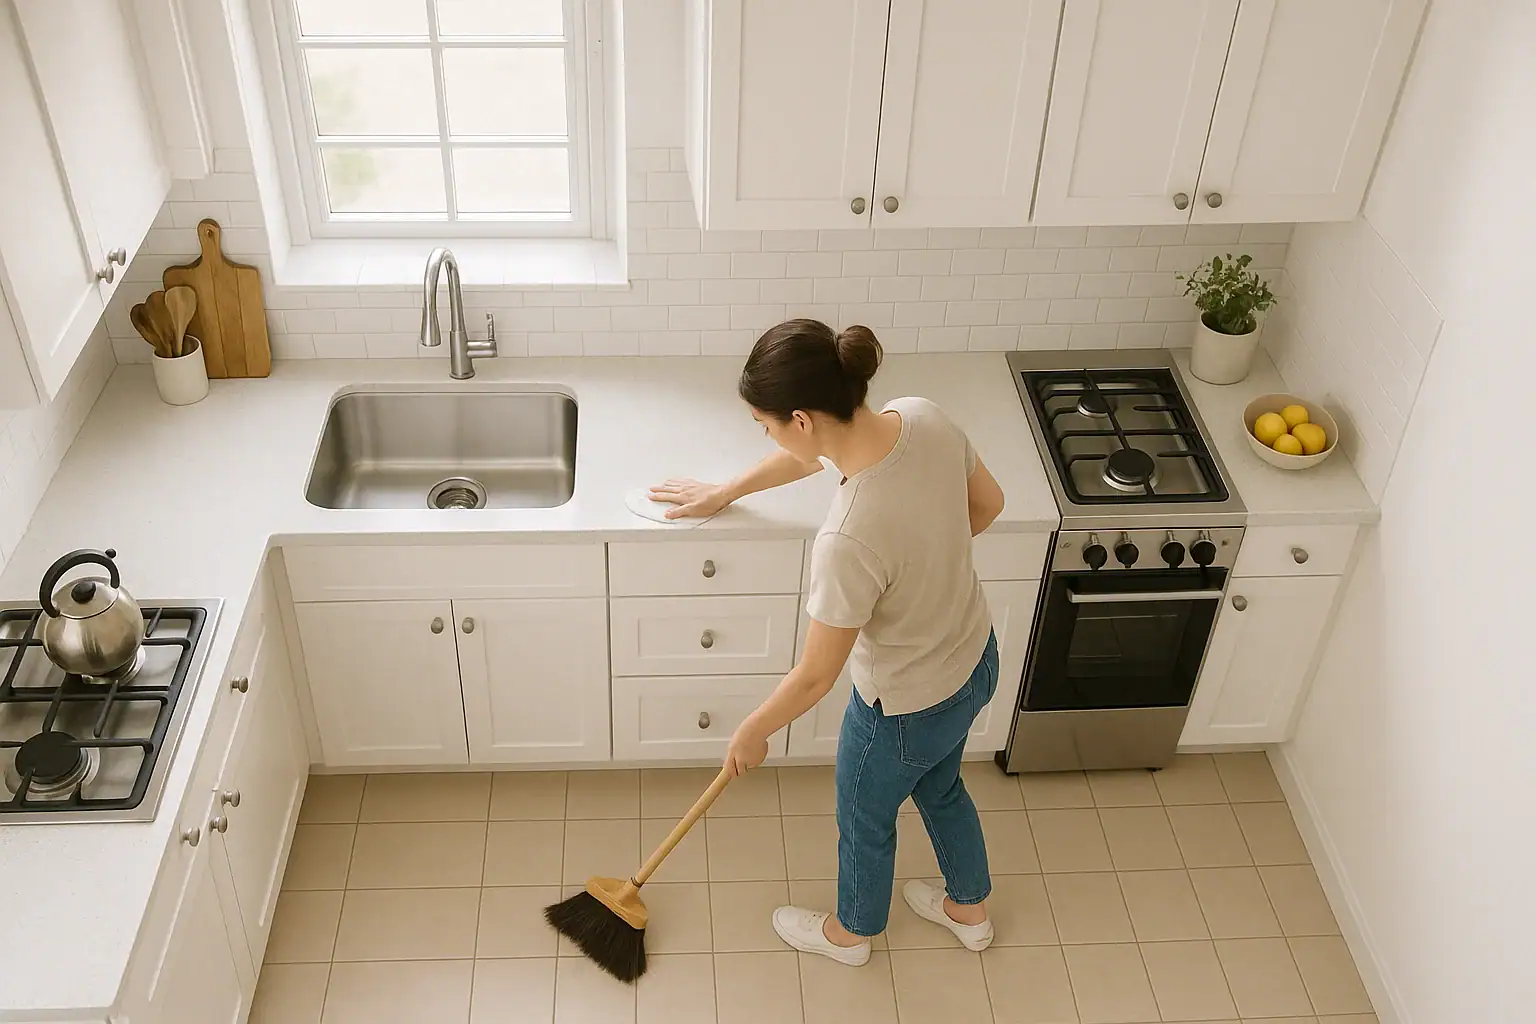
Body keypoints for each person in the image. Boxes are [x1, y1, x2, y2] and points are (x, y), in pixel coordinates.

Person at [648, 318, 1007, 965]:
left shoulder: (849, 537)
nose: (766, 434)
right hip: (975, 663)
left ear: (801, 419)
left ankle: (852, 934)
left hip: (900, 708)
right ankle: (968, 910)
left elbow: (817, 675)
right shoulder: (922, 418)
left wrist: (751, 730)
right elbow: (989, 504)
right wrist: (728, 490)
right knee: (941, 787)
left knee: (864, 822)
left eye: (765, 425)